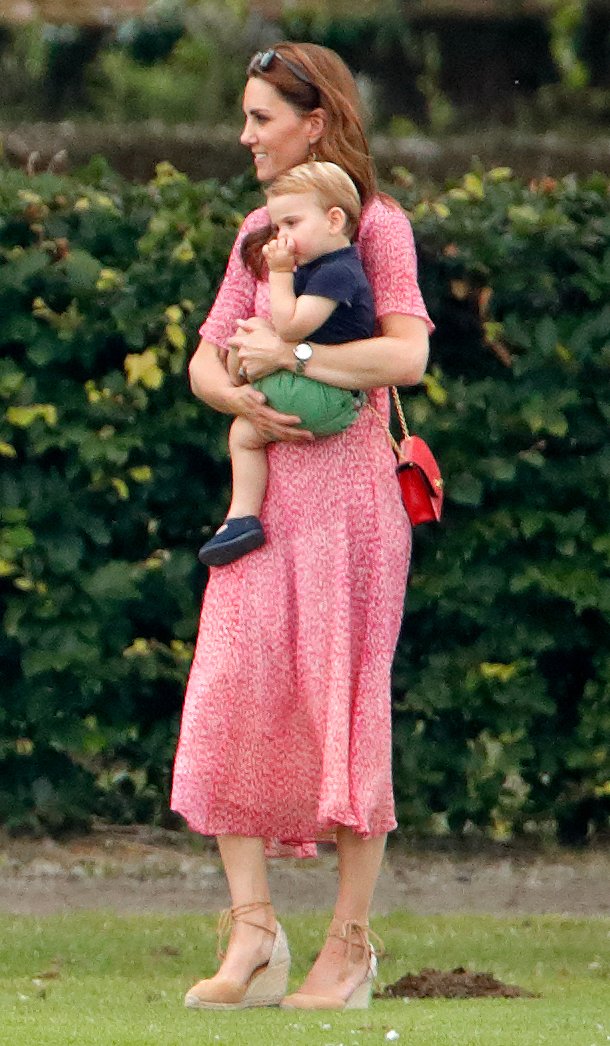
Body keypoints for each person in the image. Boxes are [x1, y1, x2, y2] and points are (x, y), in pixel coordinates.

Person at [171, 42, 433, 1012]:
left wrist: (299, 359)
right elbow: (206, 361)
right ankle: (252, 931)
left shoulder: (378, 227)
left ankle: (350, 946)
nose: (243, 136)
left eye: (260, 118)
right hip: (268, 503)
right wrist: (244, 390)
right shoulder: (258, 226)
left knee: (344, 708)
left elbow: (403, 357)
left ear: (313, 120)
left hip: (352, 508)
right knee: (231, 687)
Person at [197, 160, 375, 567]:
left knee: (244, 433)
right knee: (249, 335)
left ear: (334, 220)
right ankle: (241, 518)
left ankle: (242, 517)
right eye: (277, 228)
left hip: (329, 396)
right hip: (318, 388)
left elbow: (292, 327)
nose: (283, 238)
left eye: (292, 224)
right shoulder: (321, 268)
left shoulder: (339, 272)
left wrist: (279, 274)